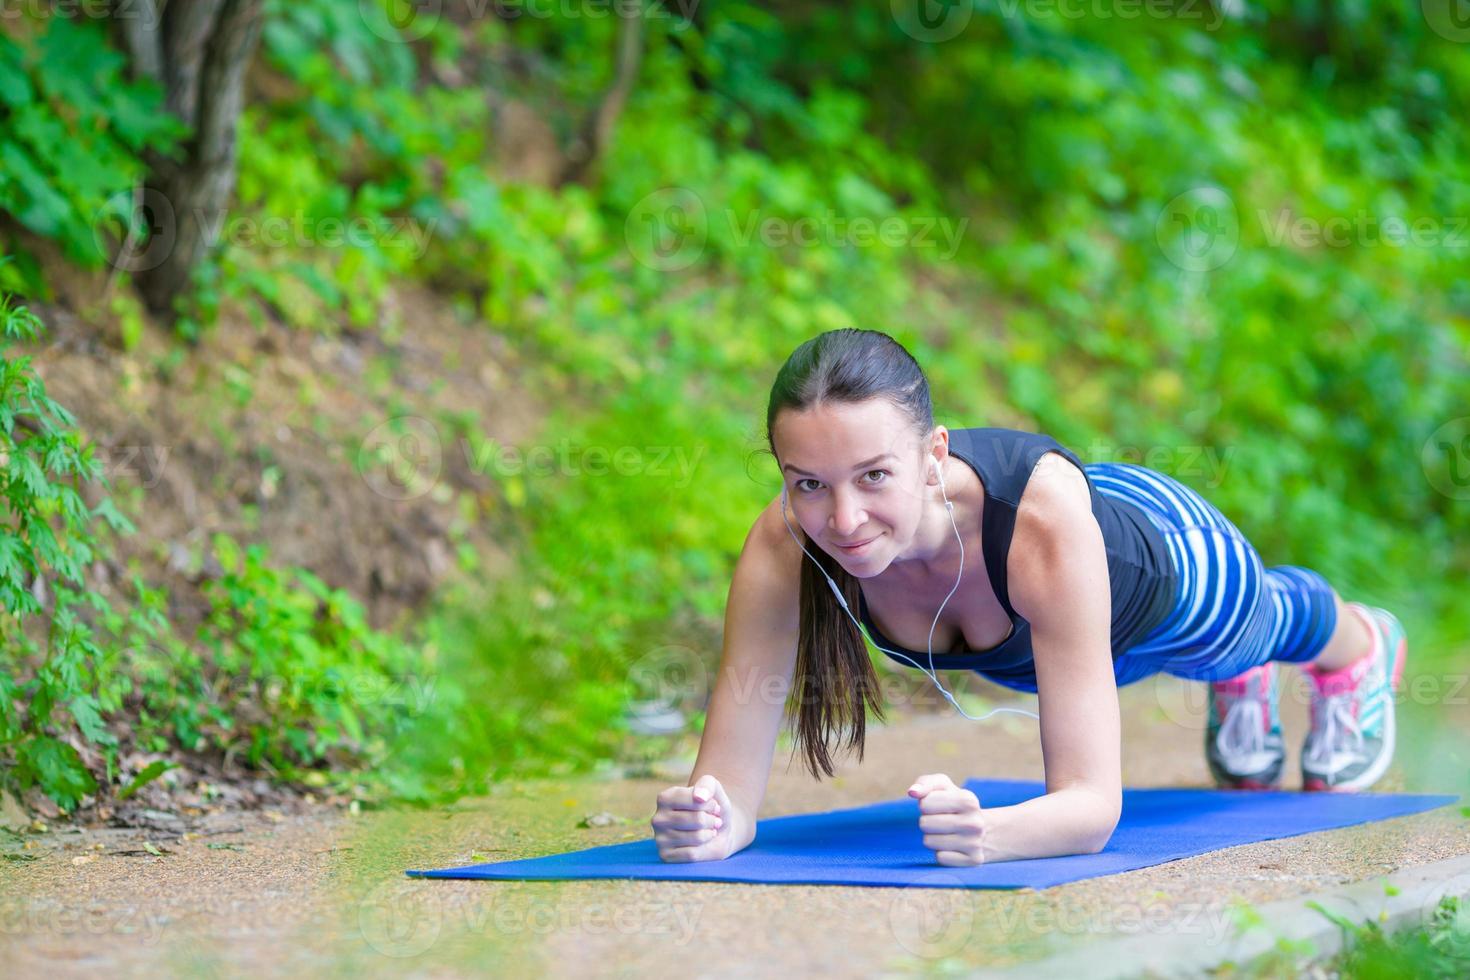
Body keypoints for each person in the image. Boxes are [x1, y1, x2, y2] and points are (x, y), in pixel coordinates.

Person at [650, 328, 1407, 867]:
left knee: (1260, 628)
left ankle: (1363, 647)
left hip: (1161, 565)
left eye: (874, 476)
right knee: (1201, 663)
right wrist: (715, 821)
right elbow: (728, 784)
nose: (842, 520)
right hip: (1057, 638)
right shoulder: (787, 543)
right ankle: (1234, 683)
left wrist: (995, 832)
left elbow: (1090, 808)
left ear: (932, 455)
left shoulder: (1039, 524)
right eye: (808, 482)